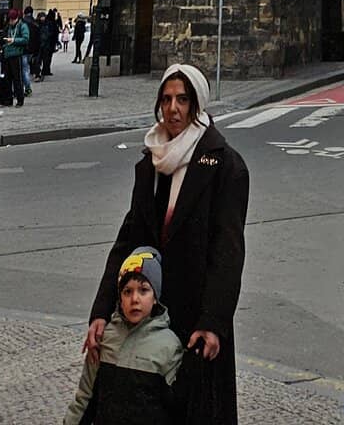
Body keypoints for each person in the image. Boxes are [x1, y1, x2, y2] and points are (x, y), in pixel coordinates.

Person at [87, 63, 248, 425]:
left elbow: (228, 253)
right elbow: (128, 240)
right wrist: (101, 310)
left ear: (197, 105)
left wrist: (213, 321)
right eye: (166, 99)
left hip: (195, 315)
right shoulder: (151, 162)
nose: (173, 109)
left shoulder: (226, 165)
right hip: (149, 314)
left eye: (182, 100)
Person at [63, 247, 182, 425]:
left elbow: (176, 409)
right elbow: (84, 398)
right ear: (120, 297)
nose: (135, 299)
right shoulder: (105, 339)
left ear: (155, 297)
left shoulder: (169, 346)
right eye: (127, 291)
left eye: (143, 290)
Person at [2, 11, 29, 108]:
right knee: (7, 78)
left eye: (13, 19)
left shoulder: (22, 26)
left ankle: (20, 99)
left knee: (17, 78)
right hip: (7, 54)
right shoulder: (8, 27)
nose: (11, 21)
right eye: (10, 19)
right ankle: (8, 99)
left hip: (17, 55)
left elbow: (26, 39)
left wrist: (14, 40)